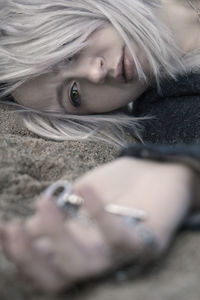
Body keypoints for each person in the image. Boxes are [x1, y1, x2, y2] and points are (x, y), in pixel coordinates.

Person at [0, 0, 200, 292]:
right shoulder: (173, 110)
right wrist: (177, 174)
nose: (93, 75)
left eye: (70, 47)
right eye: (75, 95)